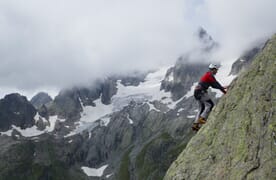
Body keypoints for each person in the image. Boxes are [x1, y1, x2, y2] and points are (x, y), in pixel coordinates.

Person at [192, 63, 227, 131]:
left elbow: (214, 85)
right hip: (201, 92)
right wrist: (224, 90)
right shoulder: (209, 75)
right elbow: (216, 84)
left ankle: (196, 125)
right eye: (216, 70)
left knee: (201, 108)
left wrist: (223, 90)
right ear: (213, 69)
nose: (217, 71)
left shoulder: (207, 75)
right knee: (210, 105)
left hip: (196, 92)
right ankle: (202, 118)